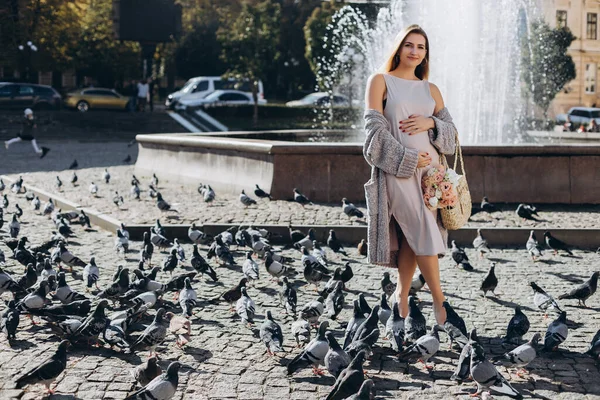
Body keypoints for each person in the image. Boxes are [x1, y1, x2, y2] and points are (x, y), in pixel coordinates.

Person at [363, 24, 459, 325]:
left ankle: (401, 298)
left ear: (425, 53)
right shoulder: (380, 81)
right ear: (399, 47)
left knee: (411, 237)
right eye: (409, 45)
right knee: (424, 232)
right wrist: (407, 158)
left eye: (420, 47)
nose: (414, 51)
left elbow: (452, 137)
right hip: (398, 172)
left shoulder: (431, 90)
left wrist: (431, 122)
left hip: (431, 177)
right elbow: (373, 135)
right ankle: (440, 305)